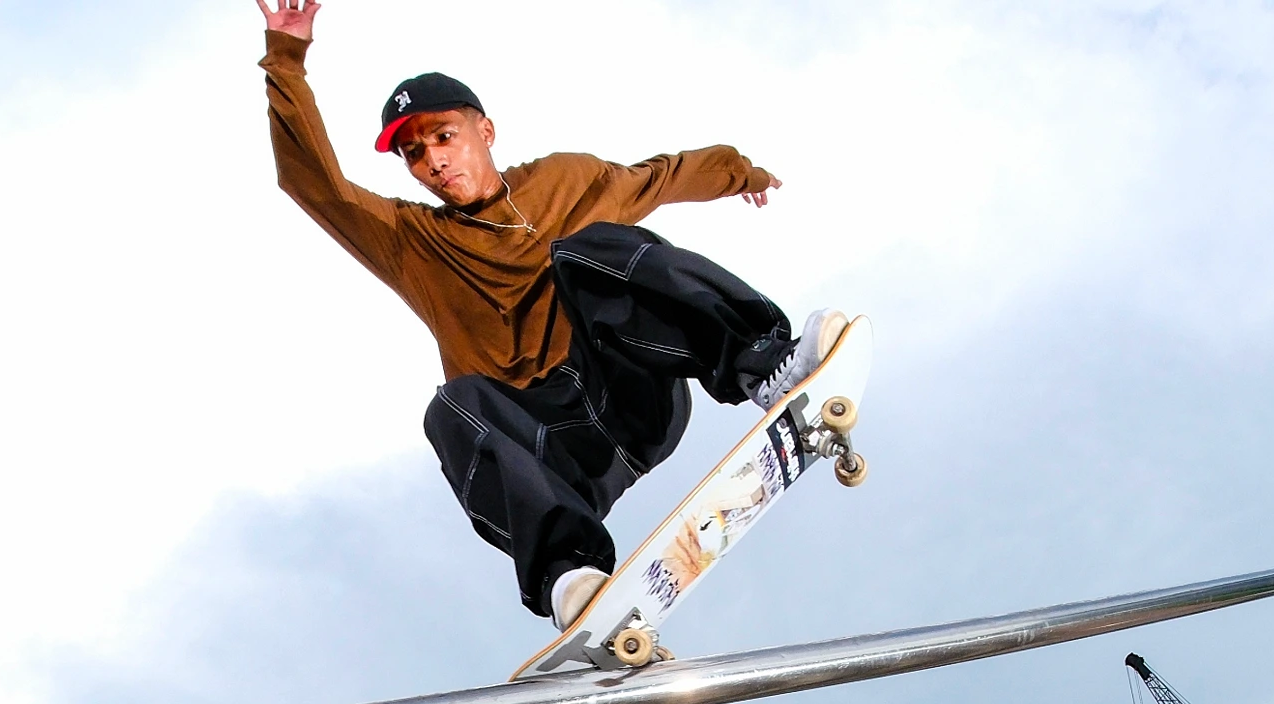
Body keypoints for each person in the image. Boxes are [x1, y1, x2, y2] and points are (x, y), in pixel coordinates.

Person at [255, 0, 845, 630]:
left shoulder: (564, 181)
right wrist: (287, 58)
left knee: (588, 251)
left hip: (627, 397)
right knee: (451, 406)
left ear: (485, 131)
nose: (434, 162)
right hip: (554, 452)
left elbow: (660, 177)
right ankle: (568, 573)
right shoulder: (411, 240)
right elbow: (314, 185)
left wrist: (740, 173)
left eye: (444, 137)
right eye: (414, 153)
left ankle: (764, 365)